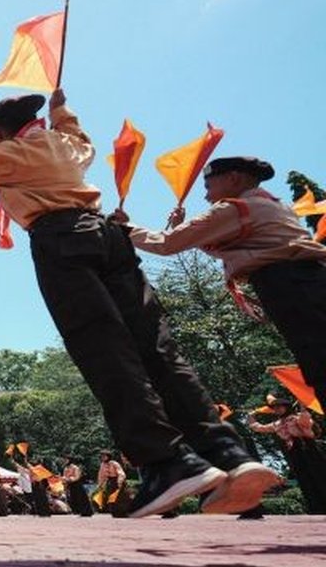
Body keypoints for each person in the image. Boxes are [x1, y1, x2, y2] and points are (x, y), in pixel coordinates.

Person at [0, 90, 273, 518]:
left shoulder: (10, 152)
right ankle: (228, 455)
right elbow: (76, 132)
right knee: (158, 348)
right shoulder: (69, 146)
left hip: (60, 240)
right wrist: (61, 110)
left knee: (105, 351)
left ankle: (166, 461)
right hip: (109, 237)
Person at [119, 156, 322, 510]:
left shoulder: (235, 207)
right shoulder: (266, 204)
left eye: (210, 181)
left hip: (294, 288)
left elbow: (166, 245)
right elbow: (228, 243)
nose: (205, 190)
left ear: (234, 178)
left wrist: (124, 228)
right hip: (305, 282)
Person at [246, 398, 324, 513]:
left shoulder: (296, 418)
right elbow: (259, 428)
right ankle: (317, 508)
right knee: (304, 479)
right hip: (293, 452)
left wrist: (303, 408)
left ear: (287, 407)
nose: (277, 409)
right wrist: (251, 416)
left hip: (308, 449)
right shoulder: (277, 424)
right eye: (275, 408)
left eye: (279, 407)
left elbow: (306, 422)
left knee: (319, 475)